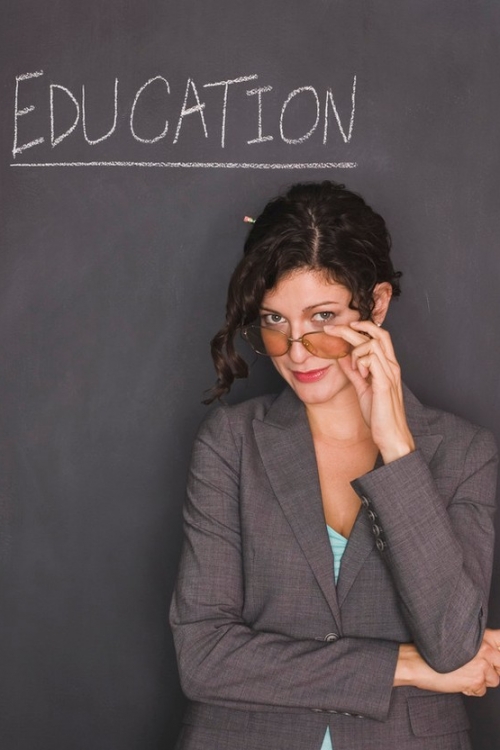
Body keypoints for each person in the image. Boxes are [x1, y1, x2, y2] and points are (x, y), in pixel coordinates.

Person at [170, 181, 500, 750]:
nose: (297, 351)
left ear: (376, 304)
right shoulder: (232, 443)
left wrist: (397, 449)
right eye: (274, 321)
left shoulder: (465, 453)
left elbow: (452, 646)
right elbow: (204, 656)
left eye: (322, 317)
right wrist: (400, 666)